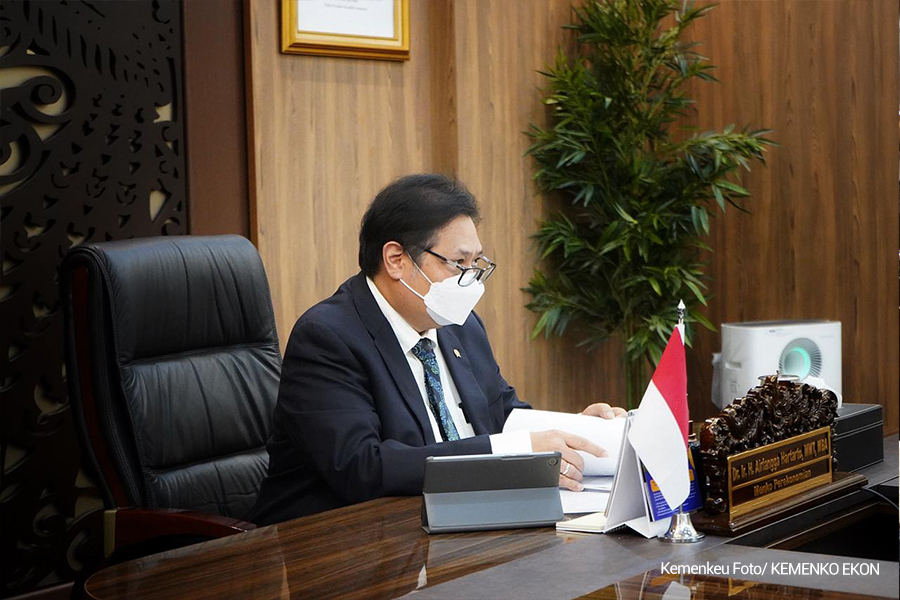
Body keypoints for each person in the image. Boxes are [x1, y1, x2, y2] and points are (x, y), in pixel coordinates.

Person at [249, 174, 626, 525]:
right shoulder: (328, 337)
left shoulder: (460, 325)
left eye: (475, 264)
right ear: (396, 260)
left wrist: (575, 431)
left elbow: (500, 414)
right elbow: (363, 468)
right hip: (339, 539)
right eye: (458, 263)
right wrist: (515, 450)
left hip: (455, 522)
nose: (471, 281)